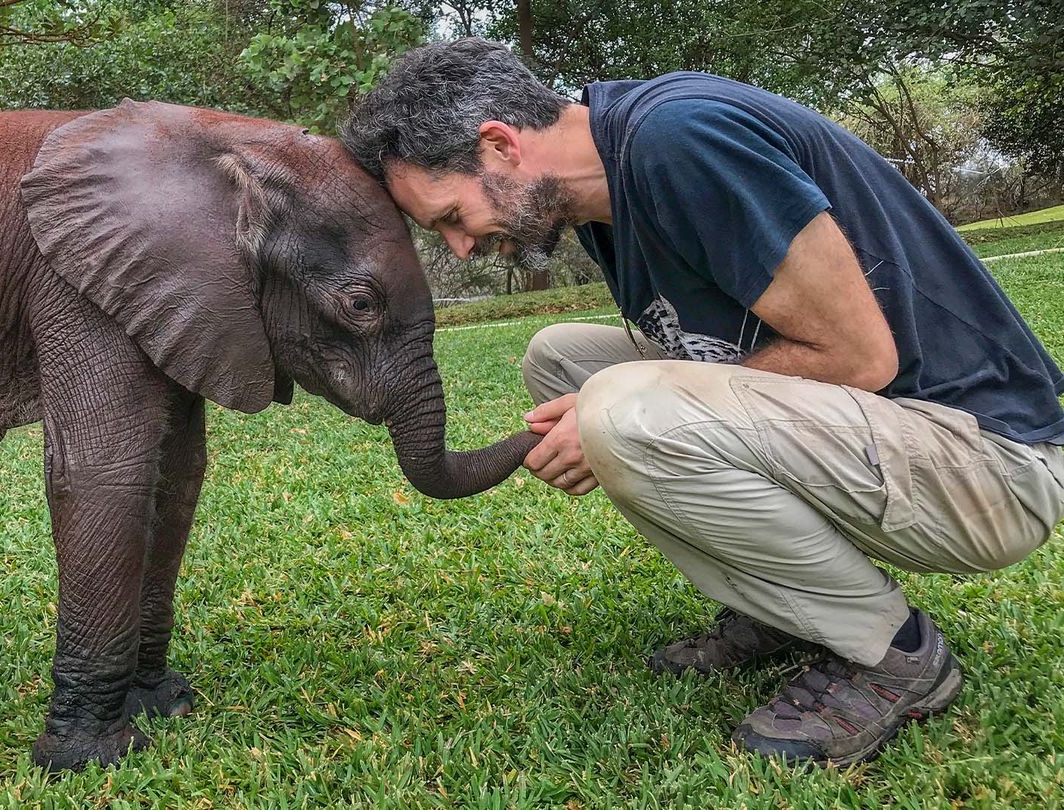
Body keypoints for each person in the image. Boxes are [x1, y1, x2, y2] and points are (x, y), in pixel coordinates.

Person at [340, 38, 1064, 765]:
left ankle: (894, 653)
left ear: (499, 146)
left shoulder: (677, 140)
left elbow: (859, 357)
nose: (460, 248)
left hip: (986, 460)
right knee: (561, 360)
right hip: (886, 438)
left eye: (452, 216)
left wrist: (615, 414)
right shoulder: (604, 193)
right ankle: (783, 606)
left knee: (619, 409)